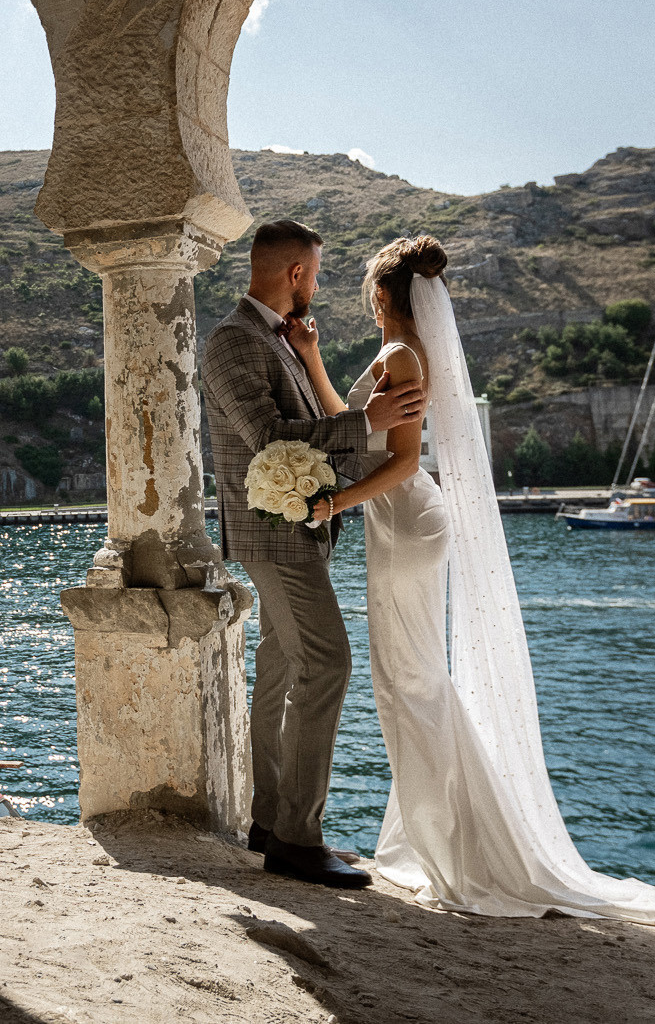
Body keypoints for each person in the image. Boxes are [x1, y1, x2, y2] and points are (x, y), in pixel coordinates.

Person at [296, 235, 655, 923]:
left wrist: (333, 503)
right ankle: (437, 837)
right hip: (402, 526)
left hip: (405, 522)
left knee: (411, 684)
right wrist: (313, 356)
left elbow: (405, 462)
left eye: (367, 291)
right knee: (410, 681)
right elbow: (349, 427)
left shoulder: (403, 355)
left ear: (382, 296)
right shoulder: (402, 354)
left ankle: (467, 851)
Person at [200, 219, 426, 889]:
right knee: (329, 663)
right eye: (318, 272)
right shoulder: (234, 341)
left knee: (278, 668)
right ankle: (298, 839)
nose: (320, 284)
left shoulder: (282, 339)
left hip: (298, 529)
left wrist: (312, 357)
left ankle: (270, 821)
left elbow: (301, 422)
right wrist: (369, 423)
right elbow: (268, 436)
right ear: (295, 272)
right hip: (276, 535)